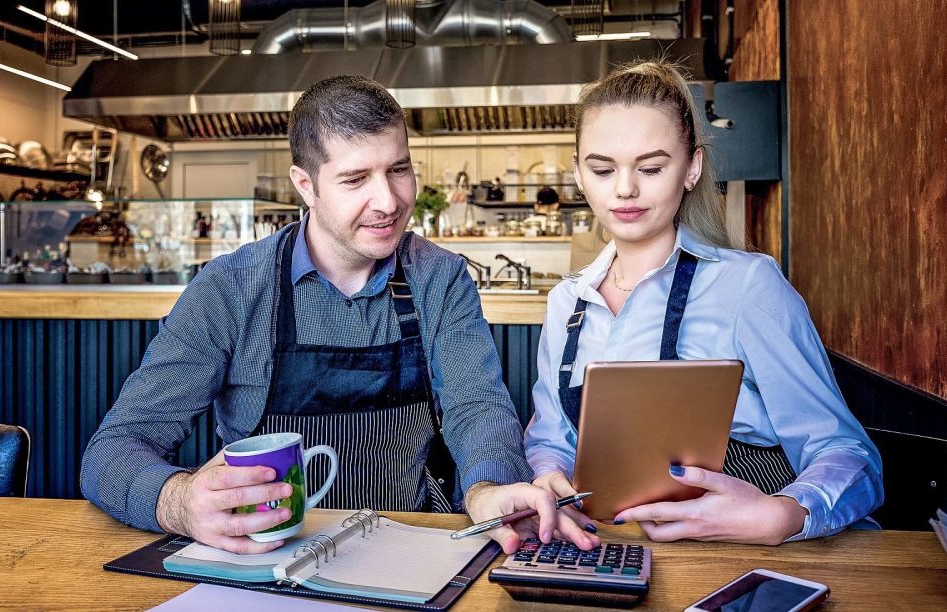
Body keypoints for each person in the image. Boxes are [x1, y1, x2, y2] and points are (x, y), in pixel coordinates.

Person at [81, 75, 598, 555]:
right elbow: (113, 451)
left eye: (398, 169)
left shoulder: (439, 278)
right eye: (355, 179)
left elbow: (477, 408)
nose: (389, 201)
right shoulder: (231, 289)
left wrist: (488, 488)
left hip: (408, 551)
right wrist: (181, 501)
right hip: (268, 560)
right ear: (305, 185)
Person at [524, 61, 883, 545]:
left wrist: (783, 516)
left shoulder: (748, 286)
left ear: (691, 168)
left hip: (740, 555)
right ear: (578, 175)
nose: (625, 188)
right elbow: (550, 440)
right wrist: (548, 475)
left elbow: (848, 453)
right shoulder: (566, 303)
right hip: (612, 547)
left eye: (651, 168)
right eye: (602, 168)